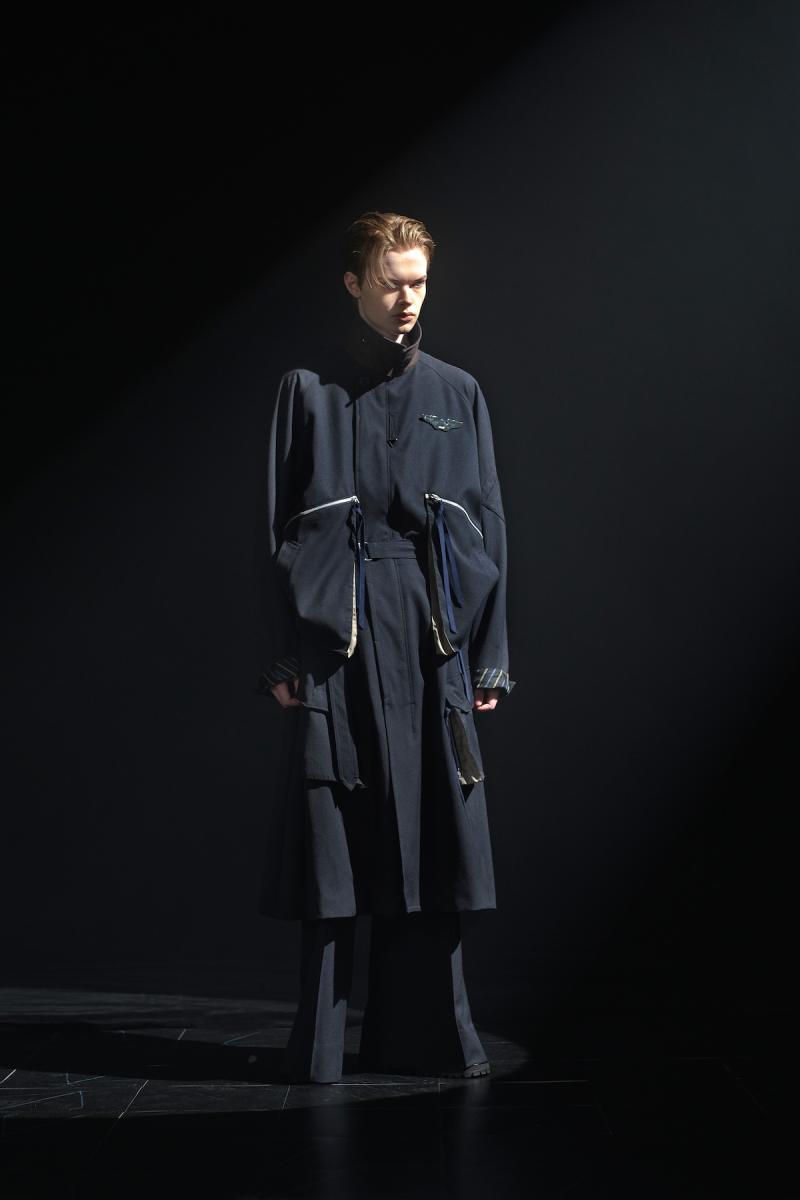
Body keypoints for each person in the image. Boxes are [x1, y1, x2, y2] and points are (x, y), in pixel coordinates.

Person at [255, 211, 515, 1083]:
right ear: (353, 282)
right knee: (336, 840)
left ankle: (427, 1042)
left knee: (432, 832)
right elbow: (273, 526)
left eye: (419, 283)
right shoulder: (306, 388)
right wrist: (285, 655)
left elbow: (489, 524)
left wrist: (488, 656)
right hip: (339, 632)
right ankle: (322, 1053)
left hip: (433, 634)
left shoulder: (458, 392)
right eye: (391, 282)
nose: (409, 300)